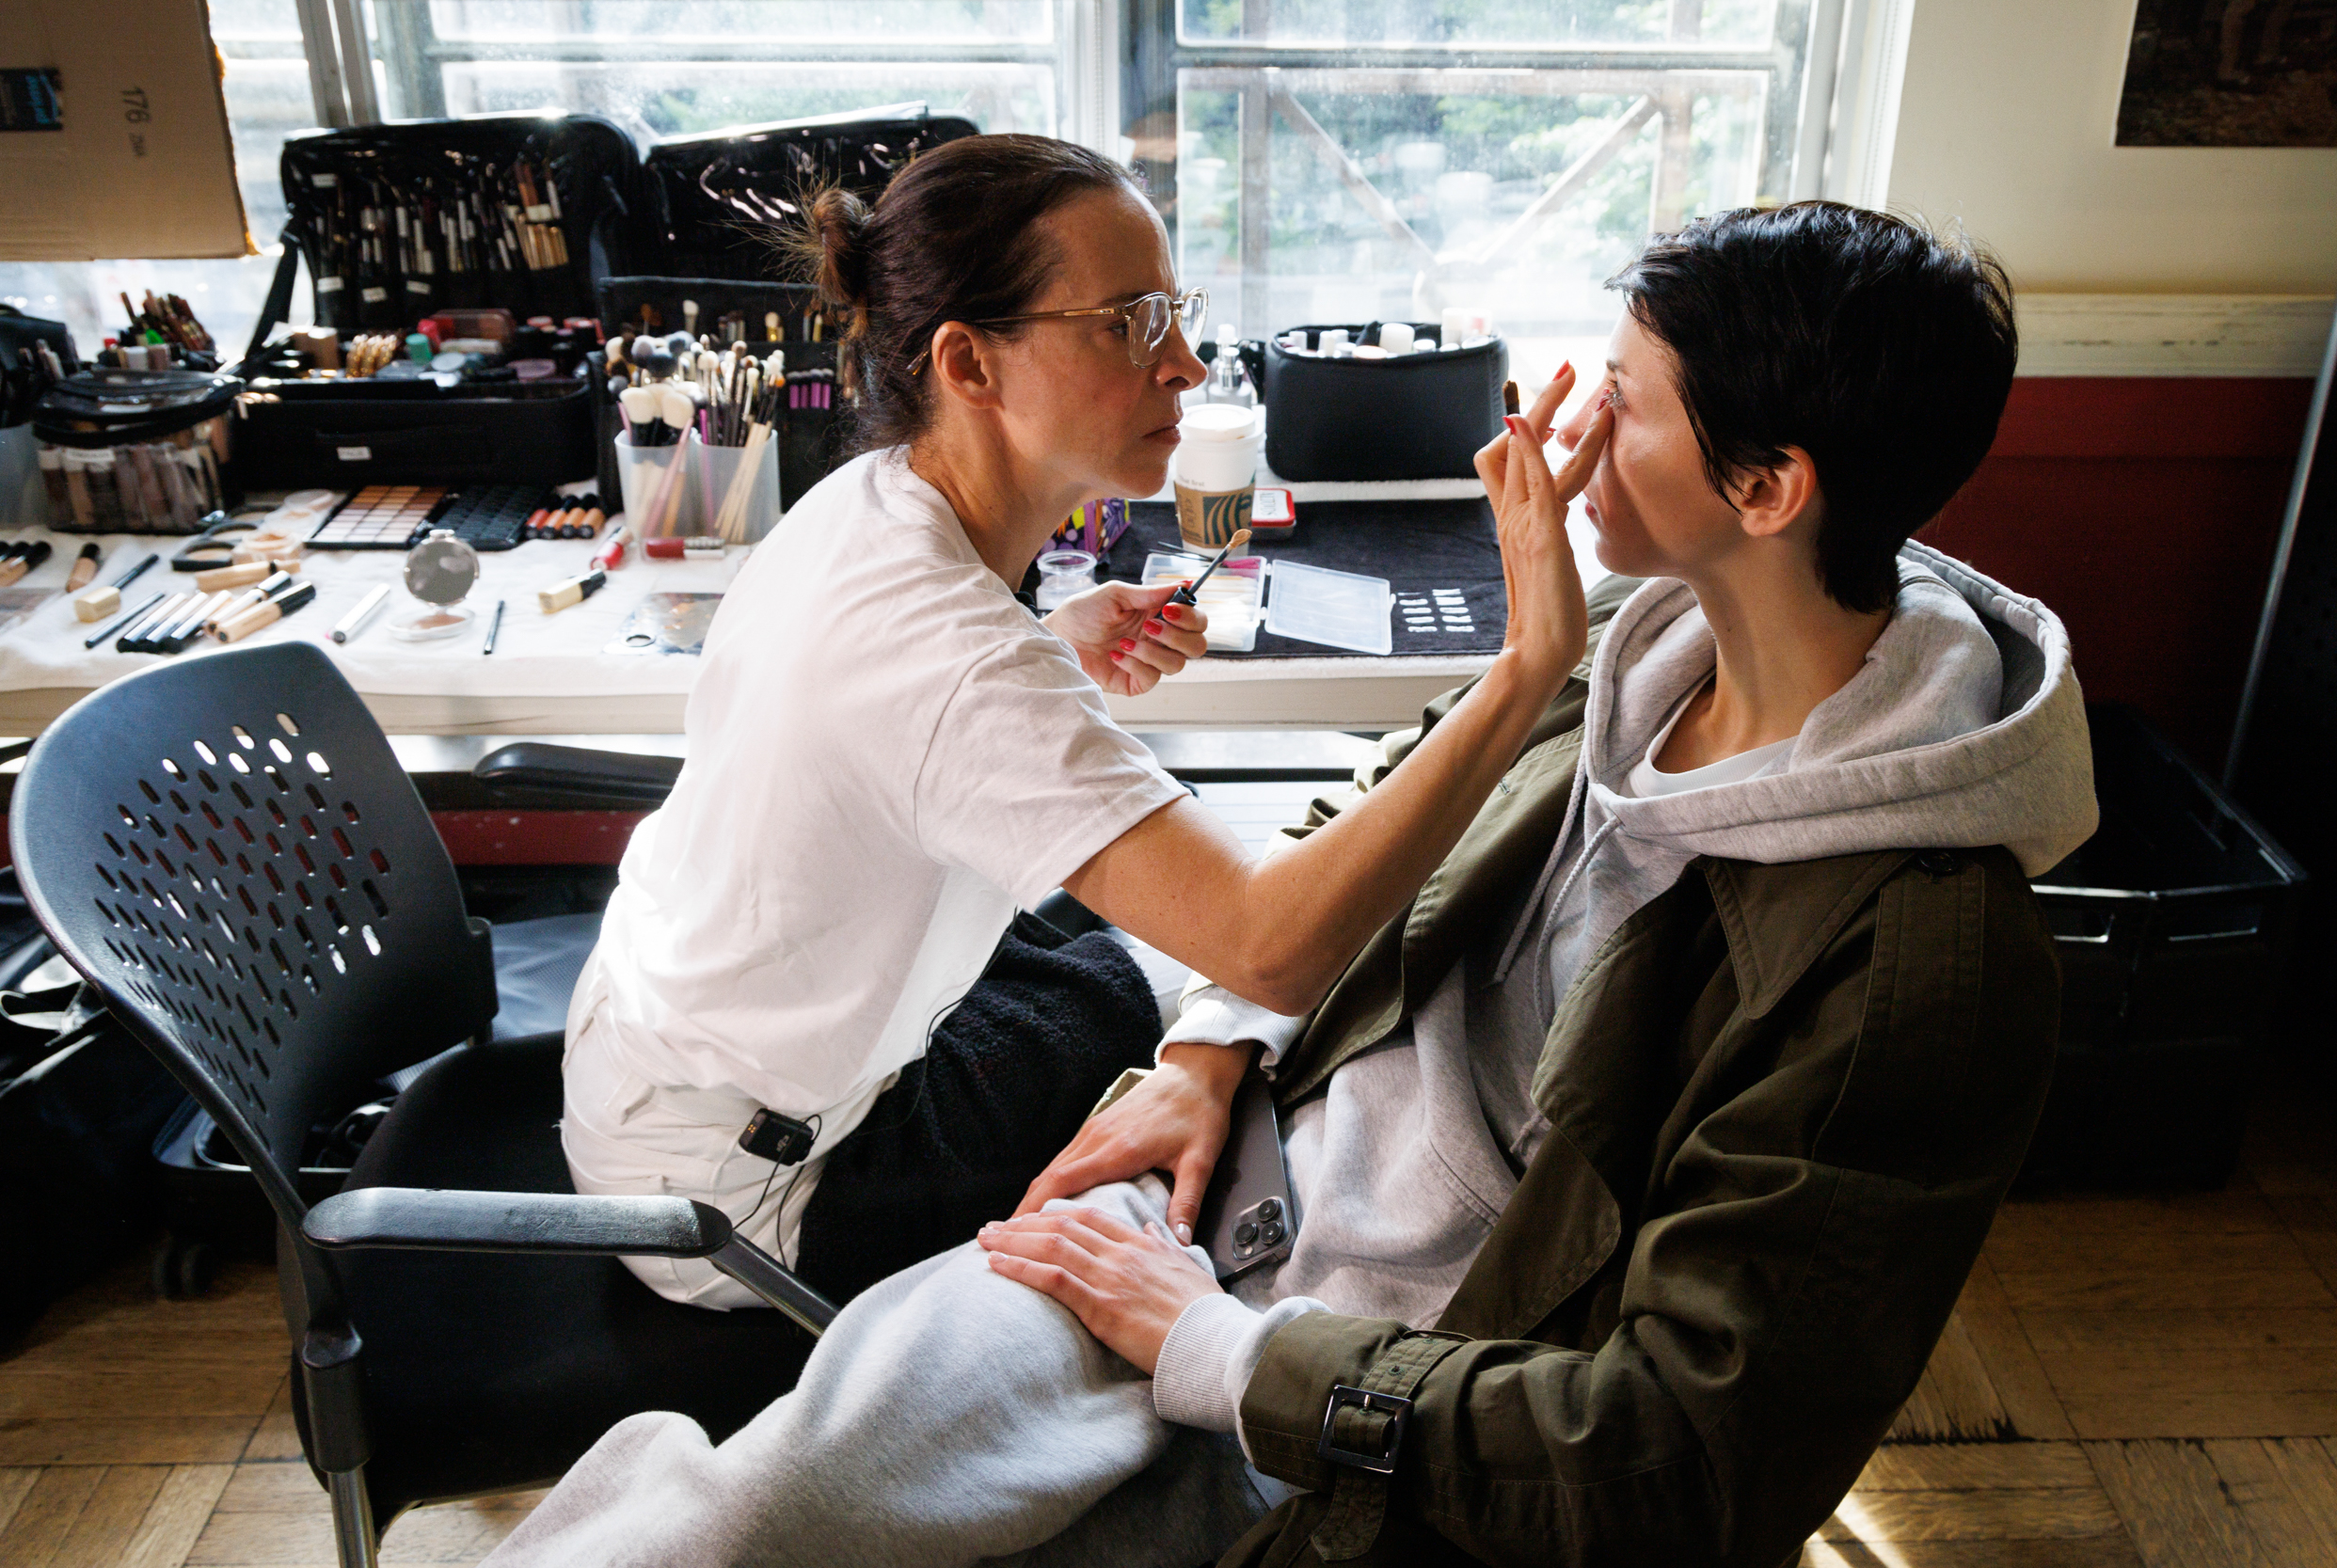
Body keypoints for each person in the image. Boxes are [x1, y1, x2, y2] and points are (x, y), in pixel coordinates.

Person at [486, 200, 2095, 1568]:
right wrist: (1209, 1043)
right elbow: (1373, 811)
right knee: (753, 1514)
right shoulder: (1634, 645)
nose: (1566, 425)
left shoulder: (1919, 967)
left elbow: (1681, 1459)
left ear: (1766, 489)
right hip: (1210, 1192)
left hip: (1363, 1380)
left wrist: (1220, 1350)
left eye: (1623, 396)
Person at [562, 133, 1612, 1313]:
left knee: (1185, 981)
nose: (1186, 363)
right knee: (1252, 1051)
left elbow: (886, 732)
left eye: (1173, 312)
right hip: (761, 1190)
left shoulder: (866, 504)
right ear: (969, 362)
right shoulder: (948, 653)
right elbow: (1275, 941)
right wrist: (1527, 666)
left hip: (677, 1065)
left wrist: (1051, 648)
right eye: (1126, 324)